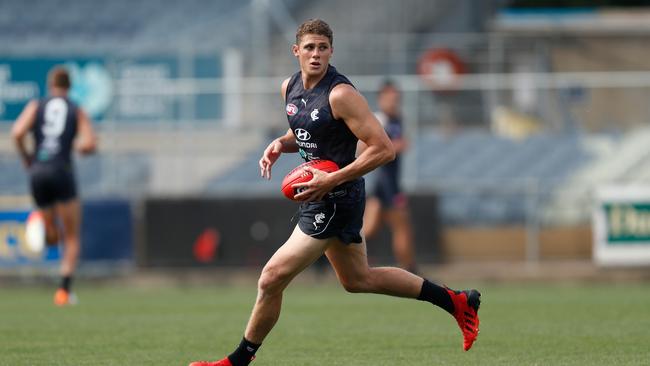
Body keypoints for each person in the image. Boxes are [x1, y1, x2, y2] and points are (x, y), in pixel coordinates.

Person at [189, 19, 480, 366]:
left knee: (271, 278)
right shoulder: (289, 88)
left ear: (331, 52)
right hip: (323, 193)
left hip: (338, 198)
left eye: (322, 48)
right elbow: (308, 130)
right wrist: (280, 144)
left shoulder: (341, 94)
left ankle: (236, 362)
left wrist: (331, 180)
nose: (315, 54)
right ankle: (456, 301)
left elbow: (383, 148)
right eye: (309, 47)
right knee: (359, 279)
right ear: (296, 51)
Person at [11, 66, 97, 306]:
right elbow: (90, 143)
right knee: (71, 237)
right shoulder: (76, 109)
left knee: (52, 238)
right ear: (70, 87)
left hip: (38, 171)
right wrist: (80, 147)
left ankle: (44, 224)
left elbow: (17, 132)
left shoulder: (36, 106)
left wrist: (27, 157)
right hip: (62, 170)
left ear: (50, 85)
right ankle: (64, 292)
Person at [361, 80, 418, 273]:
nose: (393, 101)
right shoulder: (379, 120)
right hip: (385, 183)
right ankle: (410, 270)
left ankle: (327, 255)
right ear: (381, 99)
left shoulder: (397, 120)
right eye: (389, 97)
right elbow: (363, 147)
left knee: (368, 230)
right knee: (401, 226)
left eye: (396, 98)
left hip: (388, 183)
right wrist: (394, 146)